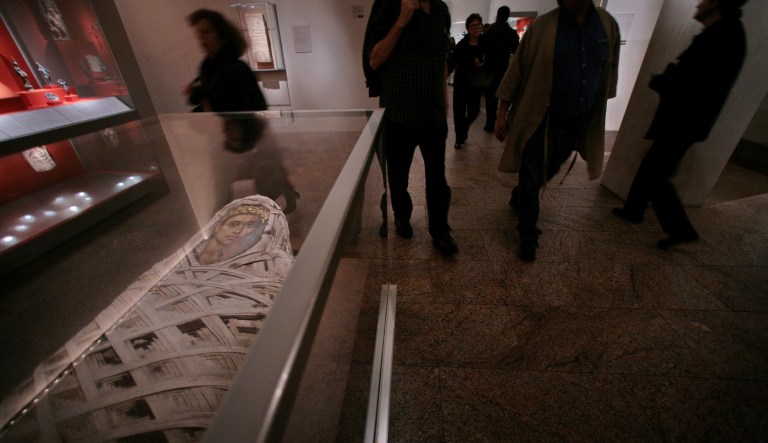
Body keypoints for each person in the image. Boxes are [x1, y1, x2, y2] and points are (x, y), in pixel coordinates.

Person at [612, 0, 748, 250]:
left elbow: (697, 83)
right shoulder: (725, 33)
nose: (698, 4)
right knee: (651, 168)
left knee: (656, 174)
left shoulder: (724, 35)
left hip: (684, 120)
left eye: (705, 1)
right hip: (684, 119)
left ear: (717, 4)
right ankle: (634, 210)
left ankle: (680, 228)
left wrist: (665, 82)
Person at [494, 0, 620, 261]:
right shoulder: (543, 27)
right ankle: (528, 233)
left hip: (577, 120)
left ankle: (521, 196)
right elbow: (516, 70)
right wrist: (501, 114)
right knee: (531, 172)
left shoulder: (607, 25)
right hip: (541, 118)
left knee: (549, 168)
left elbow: (610, 69)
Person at [364, 0, 458, 255]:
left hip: (433, 117)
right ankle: (402, 216)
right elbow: (374, 59)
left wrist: (444, 107)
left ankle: (440, 231)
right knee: (398, 177)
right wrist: (401, 21)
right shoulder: (390, 6)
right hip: (399, 116)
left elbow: (441, 62)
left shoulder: (440, 11)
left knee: (438, 179)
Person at [185, 9, 267, 112]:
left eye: (207, 32)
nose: (201, 38)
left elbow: (256, 108)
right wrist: (194, 93)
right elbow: (208, 94)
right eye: (199, 33)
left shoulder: (237, 69)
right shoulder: (207, 66)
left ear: (222, 35)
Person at [448, 13, 487, 149]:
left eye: (478, 25)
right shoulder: (462, 45)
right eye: (473, 25)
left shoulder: (486, 44)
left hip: (476, 83)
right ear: (468, 28)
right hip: (461, 82)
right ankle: (459, 138)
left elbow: (493, 60)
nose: (476, 28)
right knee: (458, 111)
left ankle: (463, 129)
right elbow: (452, 62)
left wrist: (483, 64)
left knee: (474, 111)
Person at [481, 6, 519, 133]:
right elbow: (516, 51)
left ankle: (490, 122)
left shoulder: (489, 31)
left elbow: (483, 50)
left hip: (489, 68)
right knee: (503, 95)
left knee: (490, 96)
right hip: (503, 68)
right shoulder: (511, 33)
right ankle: (502, 120)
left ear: (497, 15)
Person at [197, 203, 269, 265]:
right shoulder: (191, 252)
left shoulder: (243, 263)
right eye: (233, 224)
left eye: (249, 226)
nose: (238, 231)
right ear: (218, 227)